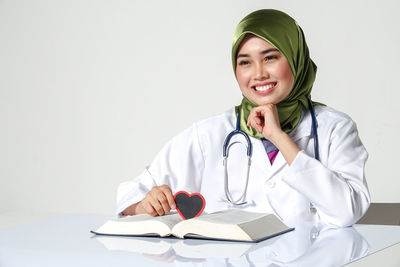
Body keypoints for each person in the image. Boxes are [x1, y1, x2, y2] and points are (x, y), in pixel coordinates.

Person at [116, 9, 370, 227]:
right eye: (245, 62)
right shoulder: (210, 133)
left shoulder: (334, 128)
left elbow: (347, 211)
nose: (258, 74)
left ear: (296, 59)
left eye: (270, 57)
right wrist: (145, 204)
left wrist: (279, 137)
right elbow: (130, 194)